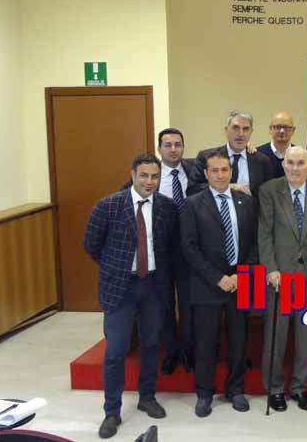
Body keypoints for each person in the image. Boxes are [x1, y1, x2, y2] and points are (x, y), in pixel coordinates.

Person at [83, 153, 179, 439]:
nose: (149, 181)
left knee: (151, 344)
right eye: (144, 176)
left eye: (154, 176)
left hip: (153, 286)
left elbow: (170, 245)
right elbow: (91, 244)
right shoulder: (108, 205)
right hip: (120, 288)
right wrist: (115, 268)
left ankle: (146, 397)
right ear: (133, 175)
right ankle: (112, 411)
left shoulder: (166, 207)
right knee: (116, 351)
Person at [180, 151, 258, 417]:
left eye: (225, 170)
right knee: (206, 342)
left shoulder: (246, 201)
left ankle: (235, 390)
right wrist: (218, 278)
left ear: (231, 172)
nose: (220, 175)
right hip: (208, 283)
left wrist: (241, 275)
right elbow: (189, 248)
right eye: (214, 170)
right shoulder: (192, 204)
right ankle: (204, 393)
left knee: (239, 340)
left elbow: (255, 242)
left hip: (241, 281)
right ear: (206, 173)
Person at [258, 146, 307, 412]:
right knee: (277, 334)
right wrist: (270, 268)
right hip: (280, 274)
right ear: (283, 164)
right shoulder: (269, 190)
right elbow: (264, 233)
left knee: (306, 335)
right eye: (290, 162)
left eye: (300, 163)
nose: (295, 168)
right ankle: (274, 388)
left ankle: (299, 387)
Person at [154, 128, 199, 375]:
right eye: (168, 145)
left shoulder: (194, 169)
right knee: (164, 304)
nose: (173, 149)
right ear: (159, 148)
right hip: (160, 251)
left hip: (189, 250)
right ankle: (170, 352)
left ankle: (188, 351)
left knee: (188, 303)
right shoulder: (150, 174)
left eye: (178, 144)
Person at [194, 110, 274, 197]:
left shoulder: (262, 161)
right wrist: (228, 187)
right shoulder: (206, 157)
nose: (241, 134)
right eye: (236, 128)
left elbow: (269, 194)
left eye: (246, 129)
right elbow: (193, 189)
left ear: (251, 132)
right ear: (226, 130)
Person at [257, 111, 307, 178]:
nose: (282, 131)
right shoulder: (258, 154)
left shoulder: (302, 156)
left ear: (293, 130)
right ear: (270, 129)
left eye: (286, 127)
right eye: (278, 127)